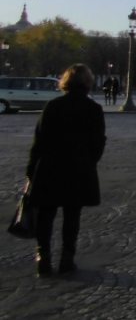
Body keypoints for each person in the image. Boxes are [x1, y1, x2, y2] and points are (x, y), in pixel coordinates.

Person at [24, 63, 106, 276]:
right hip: (78, 168)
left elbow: (39, 141)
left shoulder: (53, 106)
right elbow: (98, 143)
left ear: (65, 82)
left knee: (46, 214)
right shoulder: (93, 109)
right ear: (88, 83)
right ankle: (67, 258)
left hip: (50, 166)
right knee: (72, 216)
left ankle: (43, 257)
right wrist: (88, 162)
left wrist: (31, 170)